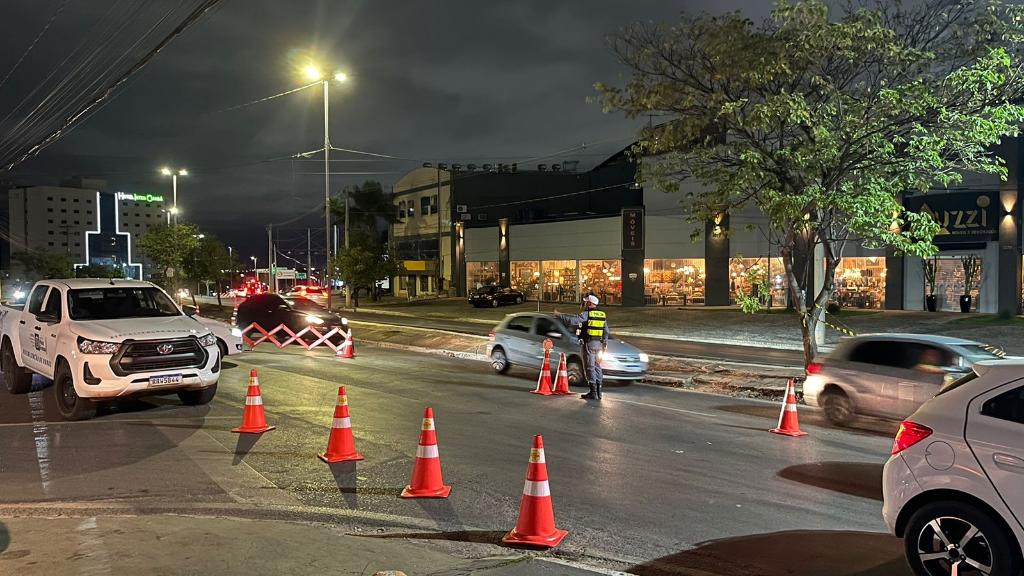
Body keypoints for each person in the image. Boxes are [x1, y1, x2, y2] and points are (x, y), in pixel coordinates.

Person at [555, 294, 608, 400]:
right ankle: (599, 391)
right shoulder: (602, 314)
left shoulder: (586, 314)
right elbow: (606, 331)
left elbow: (572, 321)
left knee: (590, 367)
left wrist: (560, 315)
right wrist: (605, 344)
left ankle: (593, 392)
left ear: (590, 303)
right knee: (597, 366)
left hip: (589, 344)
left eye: (586, 301)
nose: (585, 303)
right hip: (598, 344)